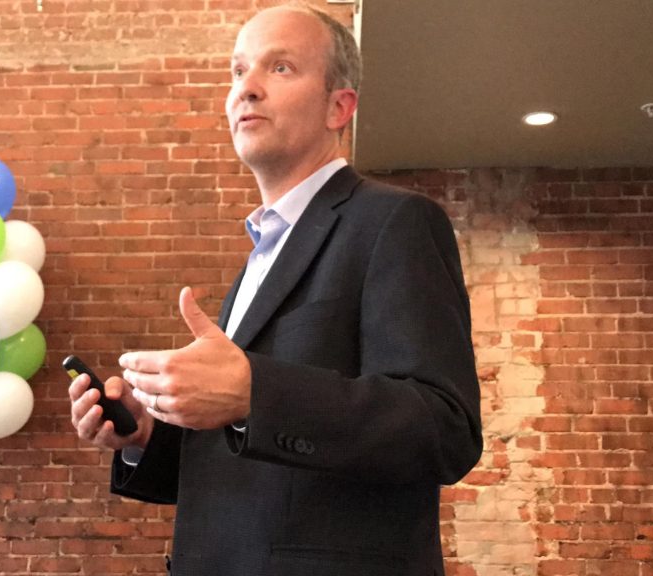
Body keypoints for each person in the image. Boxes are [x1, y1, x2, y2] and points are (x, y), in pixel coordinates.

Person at [68, 4, 482, 575]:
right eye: (238, 71)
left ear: (341, 106)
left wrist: (254, 391)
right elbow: (256, 464)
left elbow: (443, 428)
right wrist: (146, 435)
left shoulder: (395, 222)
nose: (248, 89)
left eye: (280, 68)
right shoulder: (265, 248)